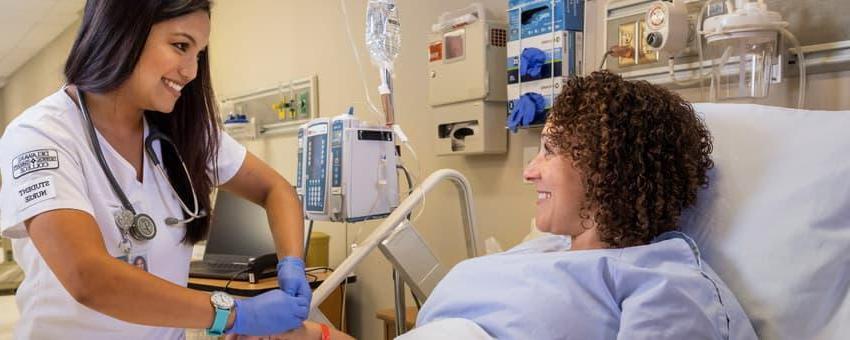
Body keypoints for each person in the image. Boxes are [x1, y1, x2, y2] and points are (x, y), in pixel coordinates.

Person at [226, 72, 760, 339]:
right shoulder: (541, 253)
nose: (529, 171)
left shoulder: (663, 279)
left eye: (548, 151)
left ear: (604, 165)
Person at [0, 1, 311, 338]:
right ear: (122, 32)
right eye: (180, 46)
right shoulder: (40, 134)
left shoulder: (184, 132)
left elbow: (275, 189)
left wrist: (290, 263)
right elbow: (88, 277)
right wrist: (233, 314)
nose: (191, 71)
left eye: (199, 53)